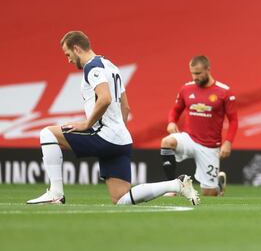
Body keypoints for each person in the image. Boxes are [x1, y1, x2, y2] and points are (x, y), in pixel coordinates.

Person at [27, 31, 200, 206]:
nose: (69, 59)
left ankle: (55, 194)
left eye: (68, 54)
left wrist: (87, 124)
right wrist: (117, 132)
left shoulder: (92, 67)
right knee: (121, 199)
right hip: (121, 139)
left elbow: (105, 98)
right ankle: (177, 184)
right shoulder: (110, 66)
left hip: (105, 136)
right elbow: (126, 107)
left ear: (77, 49)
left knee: (47, 134)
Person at [160, 55, 238, 197]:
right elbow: (176, 109)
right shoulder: (186, 89)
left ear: (208, 69)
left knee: (209, 194)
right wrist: (172, 121)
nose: (195, 77)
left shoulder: (224, 92)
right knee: (167, 142)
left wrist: (228, 143)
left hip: (209, 145)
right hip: (189, 138)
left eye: (198, 73)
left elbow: (233, 120)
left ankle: (218, 186)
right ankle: (172, 187)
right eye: (192, 73)